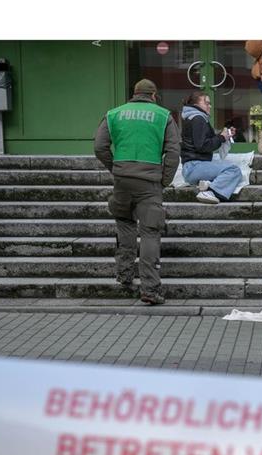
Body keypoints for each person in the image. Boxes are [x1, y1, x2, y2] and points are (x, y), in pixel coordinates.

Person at [94, 78, 180, 305]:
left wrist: (115, 168)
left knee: (124, 223)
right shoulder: (163, 116)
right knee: (150, 231)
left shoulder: (114, 114)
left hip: (122, 180)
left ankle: (124, 276)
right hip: (150, 182)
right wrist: (165, 180)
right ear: (153, 96)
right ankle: (150, 290)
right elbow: (173, 151)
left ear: (134, 94)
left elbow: (99, 146)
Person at [180, 91, 242, 205]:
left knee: (224, 168)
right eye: (207, 103)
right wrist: (222, 137)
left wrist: (223, 135)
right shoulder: (198, 118)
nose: (210, 106)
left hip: (192, 167)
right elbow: (202, 146)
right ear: (196, 105)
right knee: (234, 170)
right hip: (194, 167)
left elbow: (201, 142)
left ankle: (207, 184)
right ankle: (210, 192)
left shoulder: (193, 117)